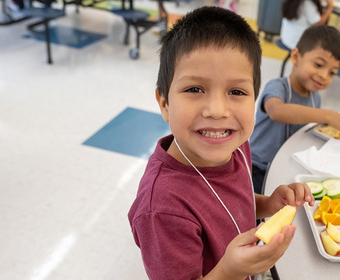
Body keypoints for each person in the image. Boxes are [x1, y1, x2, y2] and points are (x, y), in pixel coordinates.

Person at [128, 7, 314, 280]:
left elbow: (232, 200)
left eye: (236, 92)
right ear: (165, 103)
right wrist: (231, 270)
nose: (217, 111)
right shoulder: (164, 208)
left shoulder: (235, 144)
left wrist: (268, 204)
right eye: (194, 89)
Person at [250, 25, 340, 195]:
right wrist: (329, 115)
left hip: (288, 167)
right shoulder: (277, 87)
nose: (324, 75)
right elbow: (276, 111)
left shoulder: (314, 97)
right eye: (318, 65)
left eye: (332, 73)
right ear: (296, 56)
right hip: (258, 168)